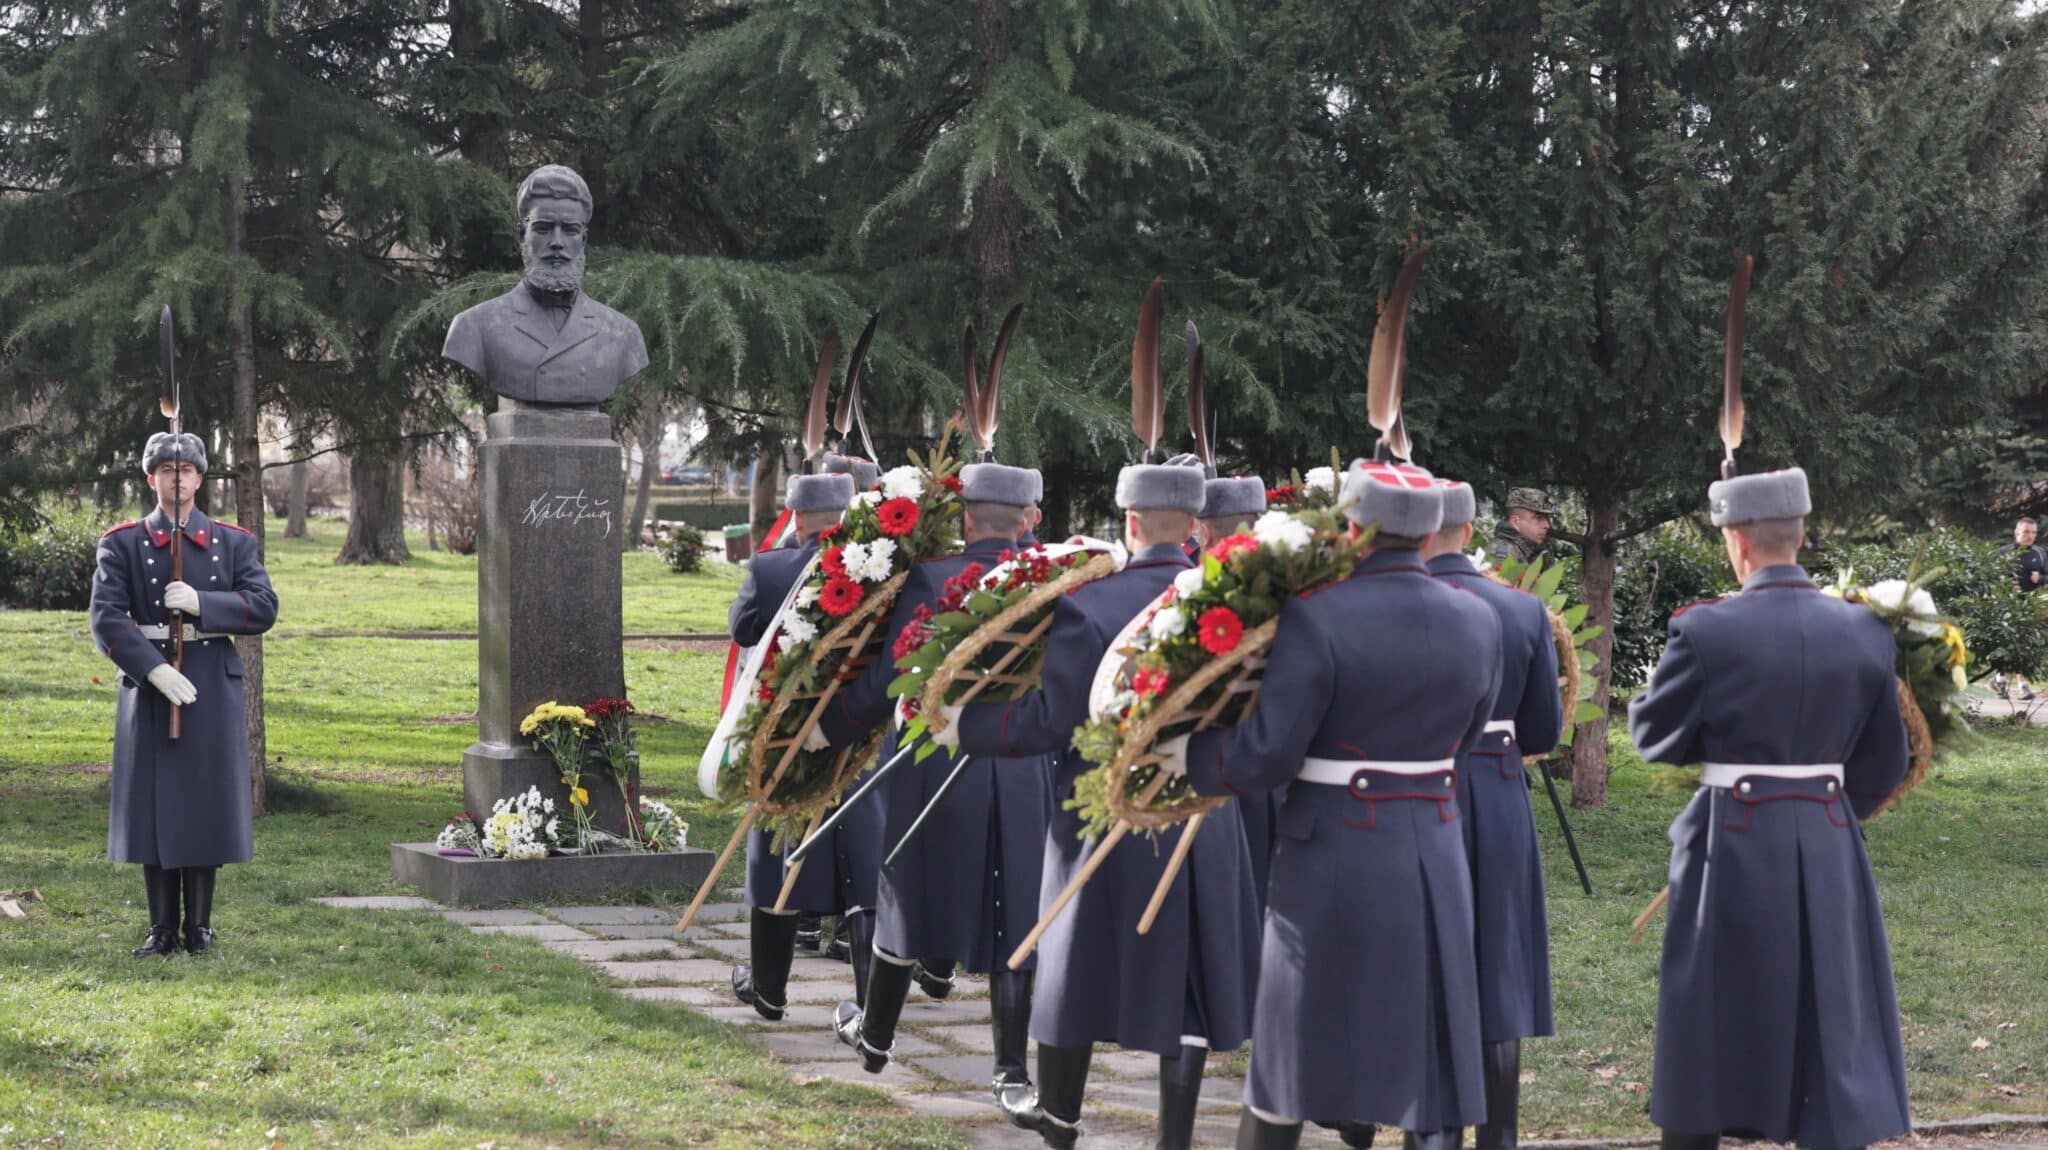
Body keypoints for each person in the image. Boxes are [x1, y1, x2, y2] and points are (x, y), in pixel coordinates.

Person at [1163, 461, 1499, 1150]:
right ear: (1433, 529)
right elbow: (1466, 737)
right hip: (1434, 844)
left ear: (1352, 529)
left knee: (1289, 1059)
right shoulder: (1479, 616)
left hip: (1332, 846)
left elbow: (1268, 754)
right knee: (1428, 1059)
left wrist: (1183, 758)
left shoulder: (1316, 616)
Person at [930, 459, 1262, 1150]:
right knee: (1193, 980)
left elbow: (1051, 721)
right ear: (1195, 525)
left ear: (1130, 522)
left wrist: (965, 727)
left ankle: (1059, 1120)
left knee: (1074, 972)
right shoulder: (1241, 604)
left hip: (1098, 809)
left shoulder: (1089, 603)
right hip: (1201, 812)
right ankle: (1174, 1136)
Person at [1628, 466, 1911, 1150]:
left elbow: (1653, 736)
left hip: (1731, 838)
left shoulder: (1705, 632)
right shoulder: (1866, 631)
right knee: (1830, 1012)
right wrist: (1824, 810)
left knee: (1708, 1013)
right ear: (1801, 534)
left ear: (1736, 541)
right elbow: (1885, 763)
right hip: (1828, 833)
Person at [818, 462, 1056, 1129]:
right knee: (1017, 905)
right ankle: (1011, 1069)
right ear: (1029, 516)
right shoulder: (1053, 583)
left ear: (967, 517)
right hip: (1017, 760)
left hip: (935, 754)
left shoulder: (931, 578)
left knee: (907, 891)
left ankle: (877, 1037)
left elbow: (889, 678)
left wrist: (828, 728)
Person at [91, 431, 278, 957]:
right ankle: (160, 928)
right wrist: (151, 669)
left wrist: (203, 602)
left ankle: (199, 926)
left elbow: (262, 606)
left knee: (204, 803)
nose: (178, 477)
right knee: (154, 806)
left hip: (209, 683)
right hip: (151, 684)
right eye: (167, 470)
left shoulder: (233, 542)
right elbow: (105, 618)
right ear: (152, 479)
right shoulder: (123, 542)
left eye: (188, 469)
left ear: (200, 478)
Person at [1423, 479, 1564, 1150]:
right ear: (1471, 532)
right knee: (1499, 964)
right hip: (1501, 789)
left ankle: (1436, 1131)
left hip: (1418, 791)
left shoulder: (1403, 606)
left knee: (1430, 957)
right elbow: (1544, 732)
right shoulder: (1522, 611)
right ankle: (1499, 1135)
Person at [726, 470, 884, 1023]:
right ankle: (871, 1002)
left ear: (794, 519)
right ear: (847, 517)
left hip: (787, 736)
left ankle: (768, 990)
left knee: (774, 853)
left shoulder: (771, 569)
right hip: (858, 733)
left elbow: (743, 628)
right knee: (865, 858)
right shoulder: (877, 574)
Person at [441, 164, 648, 408]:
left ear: (583, 241)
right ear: (522, 237)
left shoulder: (623, 334)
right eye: (543, 228)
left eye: (570, 230)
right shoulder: (475, 327)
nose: (557, 243)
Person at [1193, 475, 1282, 910]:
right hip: (1284, 768)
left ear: (1204, 532)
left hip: (1218, 769)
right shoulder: (1295, 586)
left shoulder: (1193, 595)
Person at [1996, 518, 2045, 701]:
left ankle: (2009, 682)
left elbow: (2047, 576)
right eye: (2026, 532)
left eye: (2033, 532)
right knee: (2009, 644)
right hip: (2006, 606)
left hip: (2031, 606)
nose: (2030, 536)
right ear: (2017, 533)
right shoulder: (2003, 553)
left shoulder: (2040, 553)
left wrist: (2040, 579)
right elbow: (1989, 575)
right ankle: (2009, 682)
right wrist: (2005, 585)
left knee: (2023, 644)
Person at [1486, 489, 1557, 567]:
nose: (1547, 525)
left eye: (1547, 518)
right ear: (1515, 522)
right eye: (1539, 518)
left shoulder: (1534, 551)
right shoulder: (1500, 554)